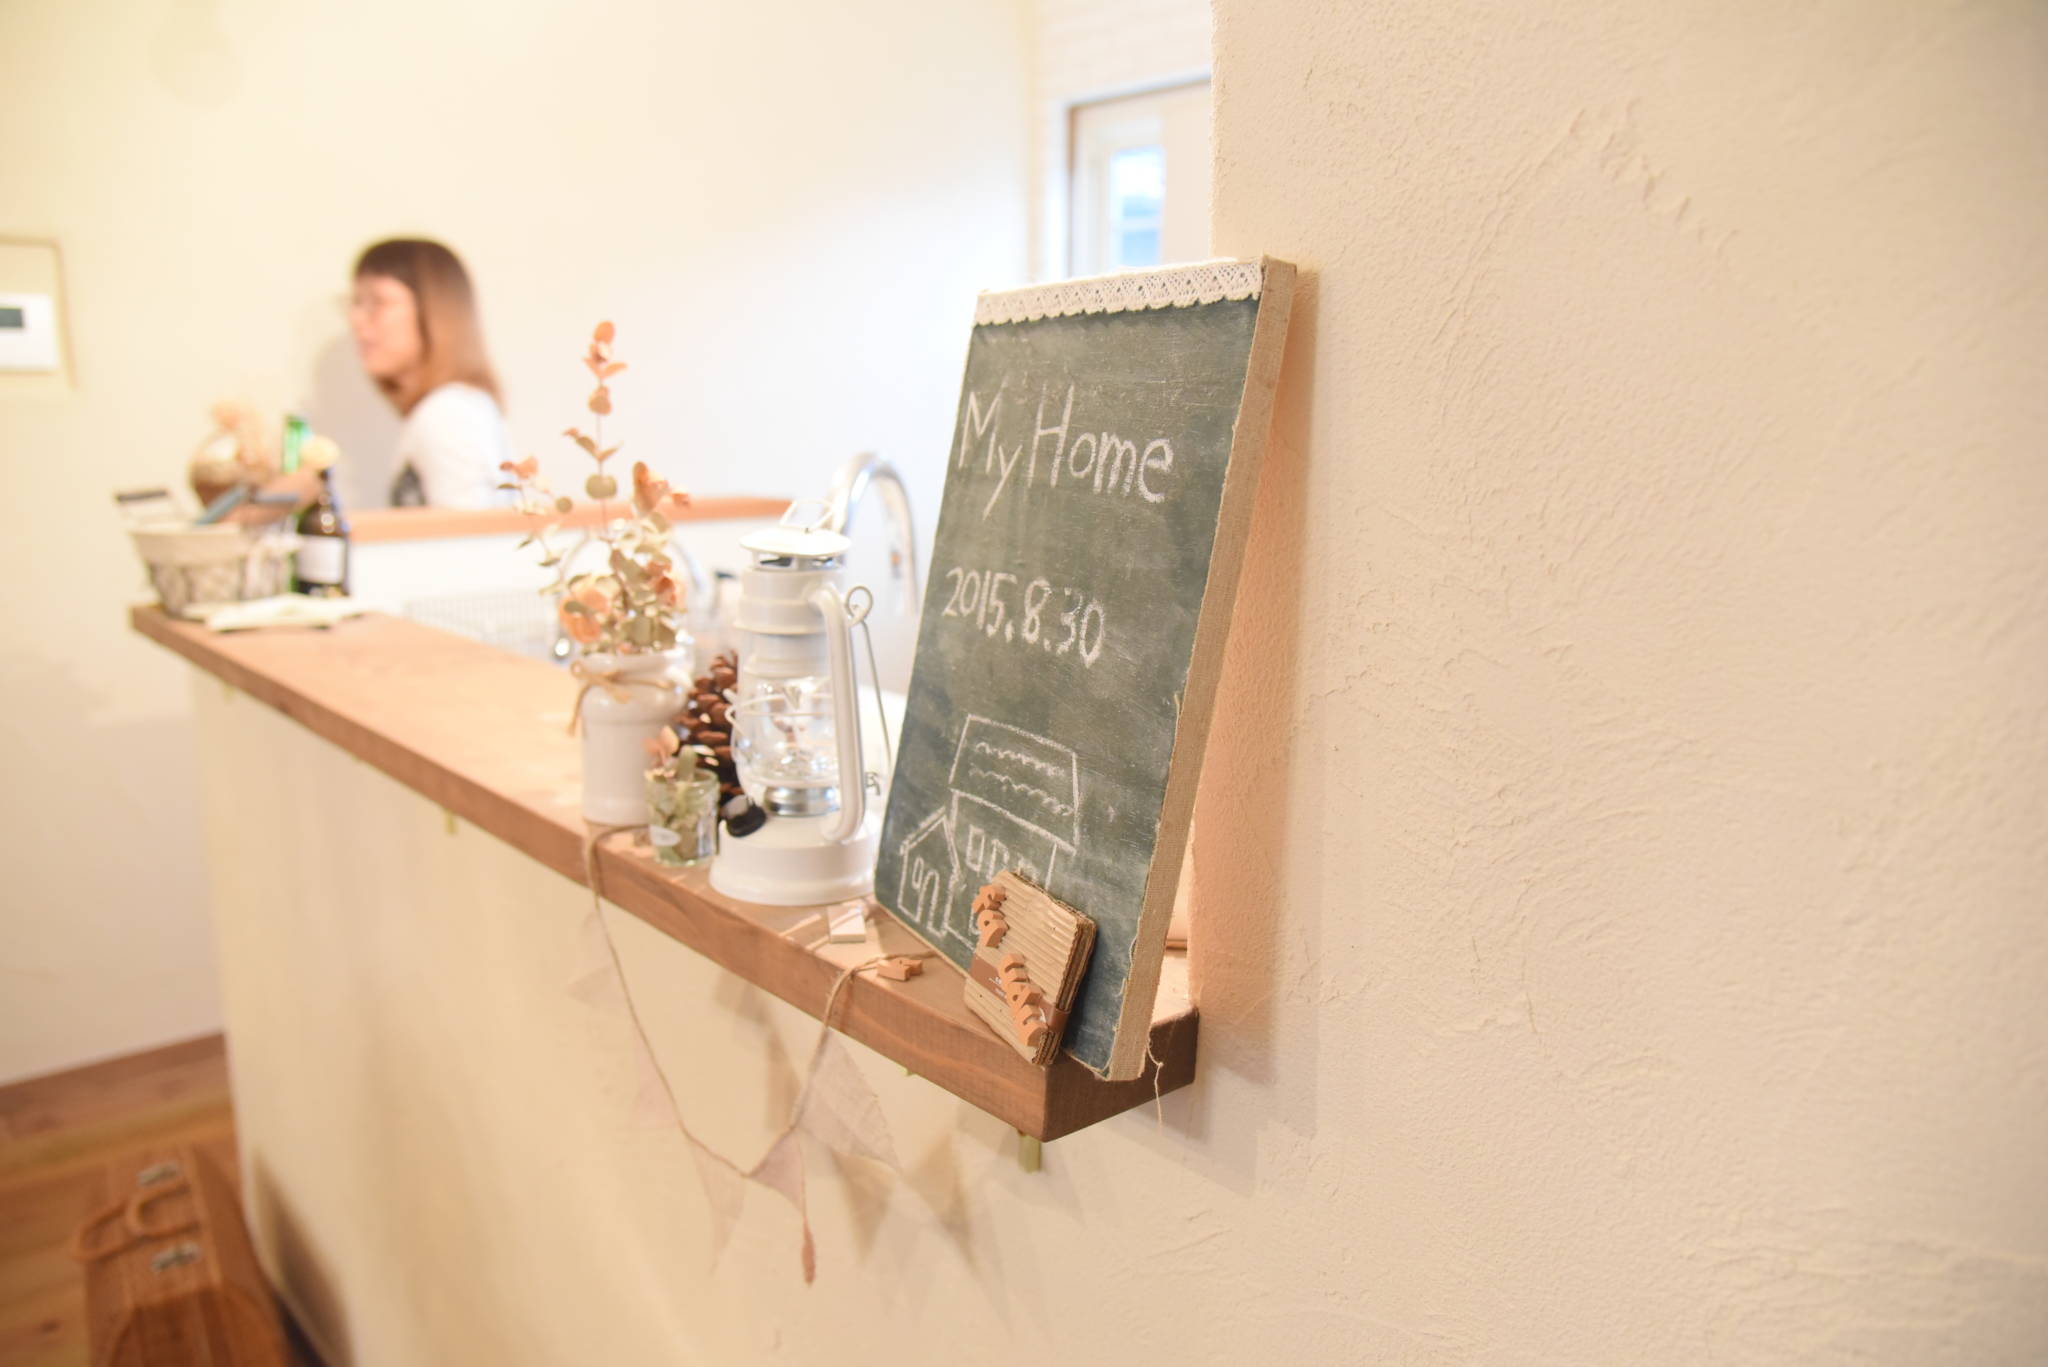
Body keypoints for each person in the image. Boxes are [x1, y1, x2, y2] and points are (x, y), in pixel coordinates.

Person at [348, 238, 514, 508]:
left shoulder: (449, 412)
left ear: (434, 310)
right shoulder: (452, 407)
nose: (356, 319)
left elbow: (467, 529)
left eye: (377, 302)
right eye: (356, 302)